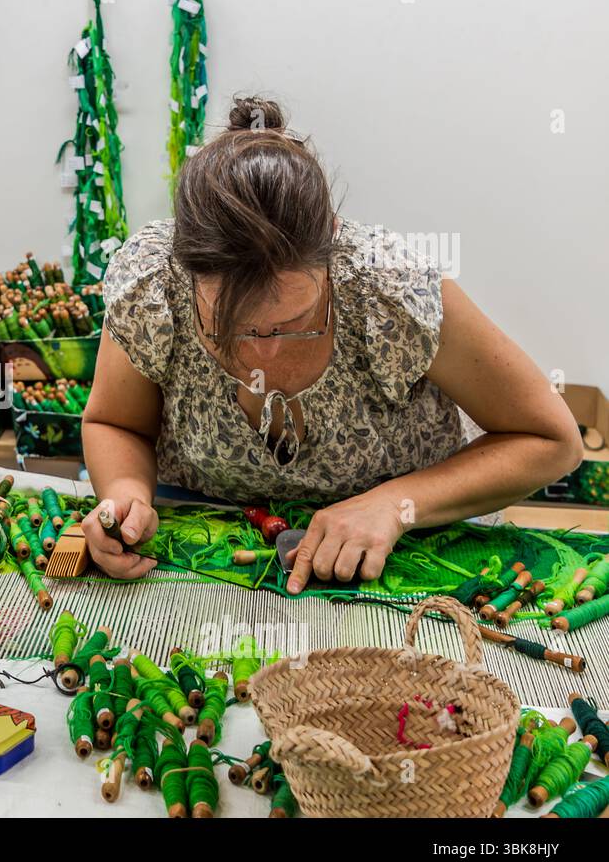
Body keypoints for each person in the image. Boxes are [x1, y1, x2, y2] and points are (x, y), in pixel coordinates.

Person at [81, 96, 582, 592]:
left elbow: (550, 441)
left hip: (411, 551)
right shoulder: (151, 285)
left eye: (294, 321)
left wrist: (395, 505)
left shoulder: (389, 290)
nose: (263, 353)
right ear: (183, 265)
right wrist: (127, 494)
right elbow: (115, 422)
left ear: (333, 247)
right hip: (212, 549)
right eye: (228, 327)